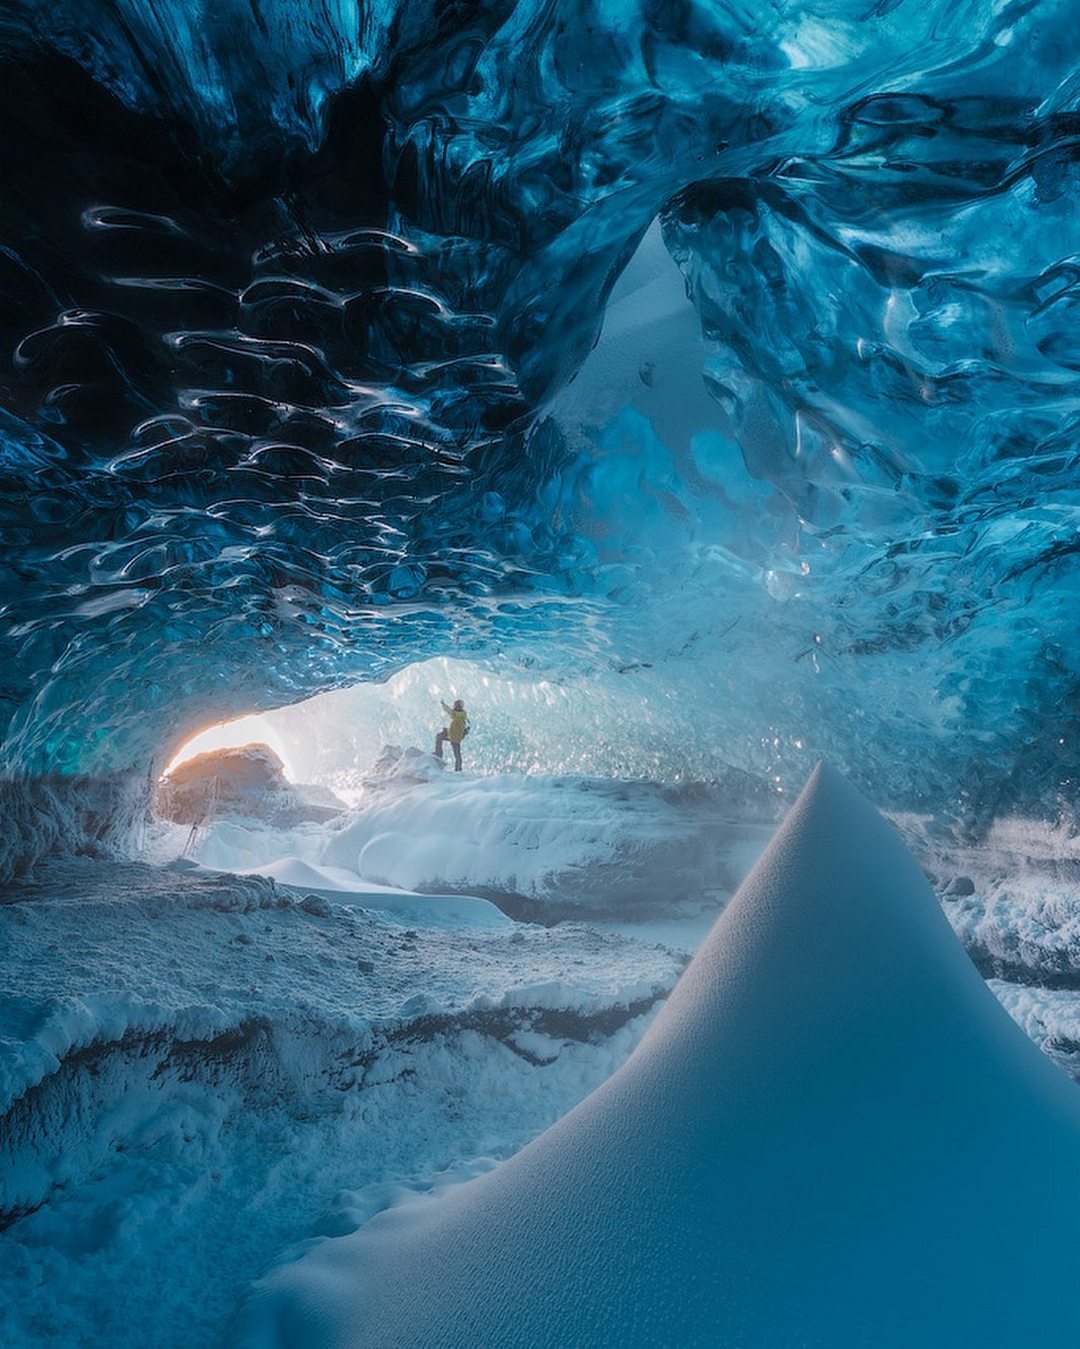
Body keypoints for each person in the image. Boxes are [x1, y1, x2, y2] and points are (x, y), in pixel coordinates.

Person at [435, 698, 469, 771]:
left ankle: (439, 754)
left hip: (455, 737)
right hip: (453, 735)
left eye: (458, 705)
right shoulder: (461, 715)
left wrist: (443, 704)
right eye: (456, 705)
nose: (456, 707)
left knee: (457, 754)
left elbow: (449, 711)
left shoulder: (457, 715)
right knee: (439, 736)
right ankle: (458, 768)